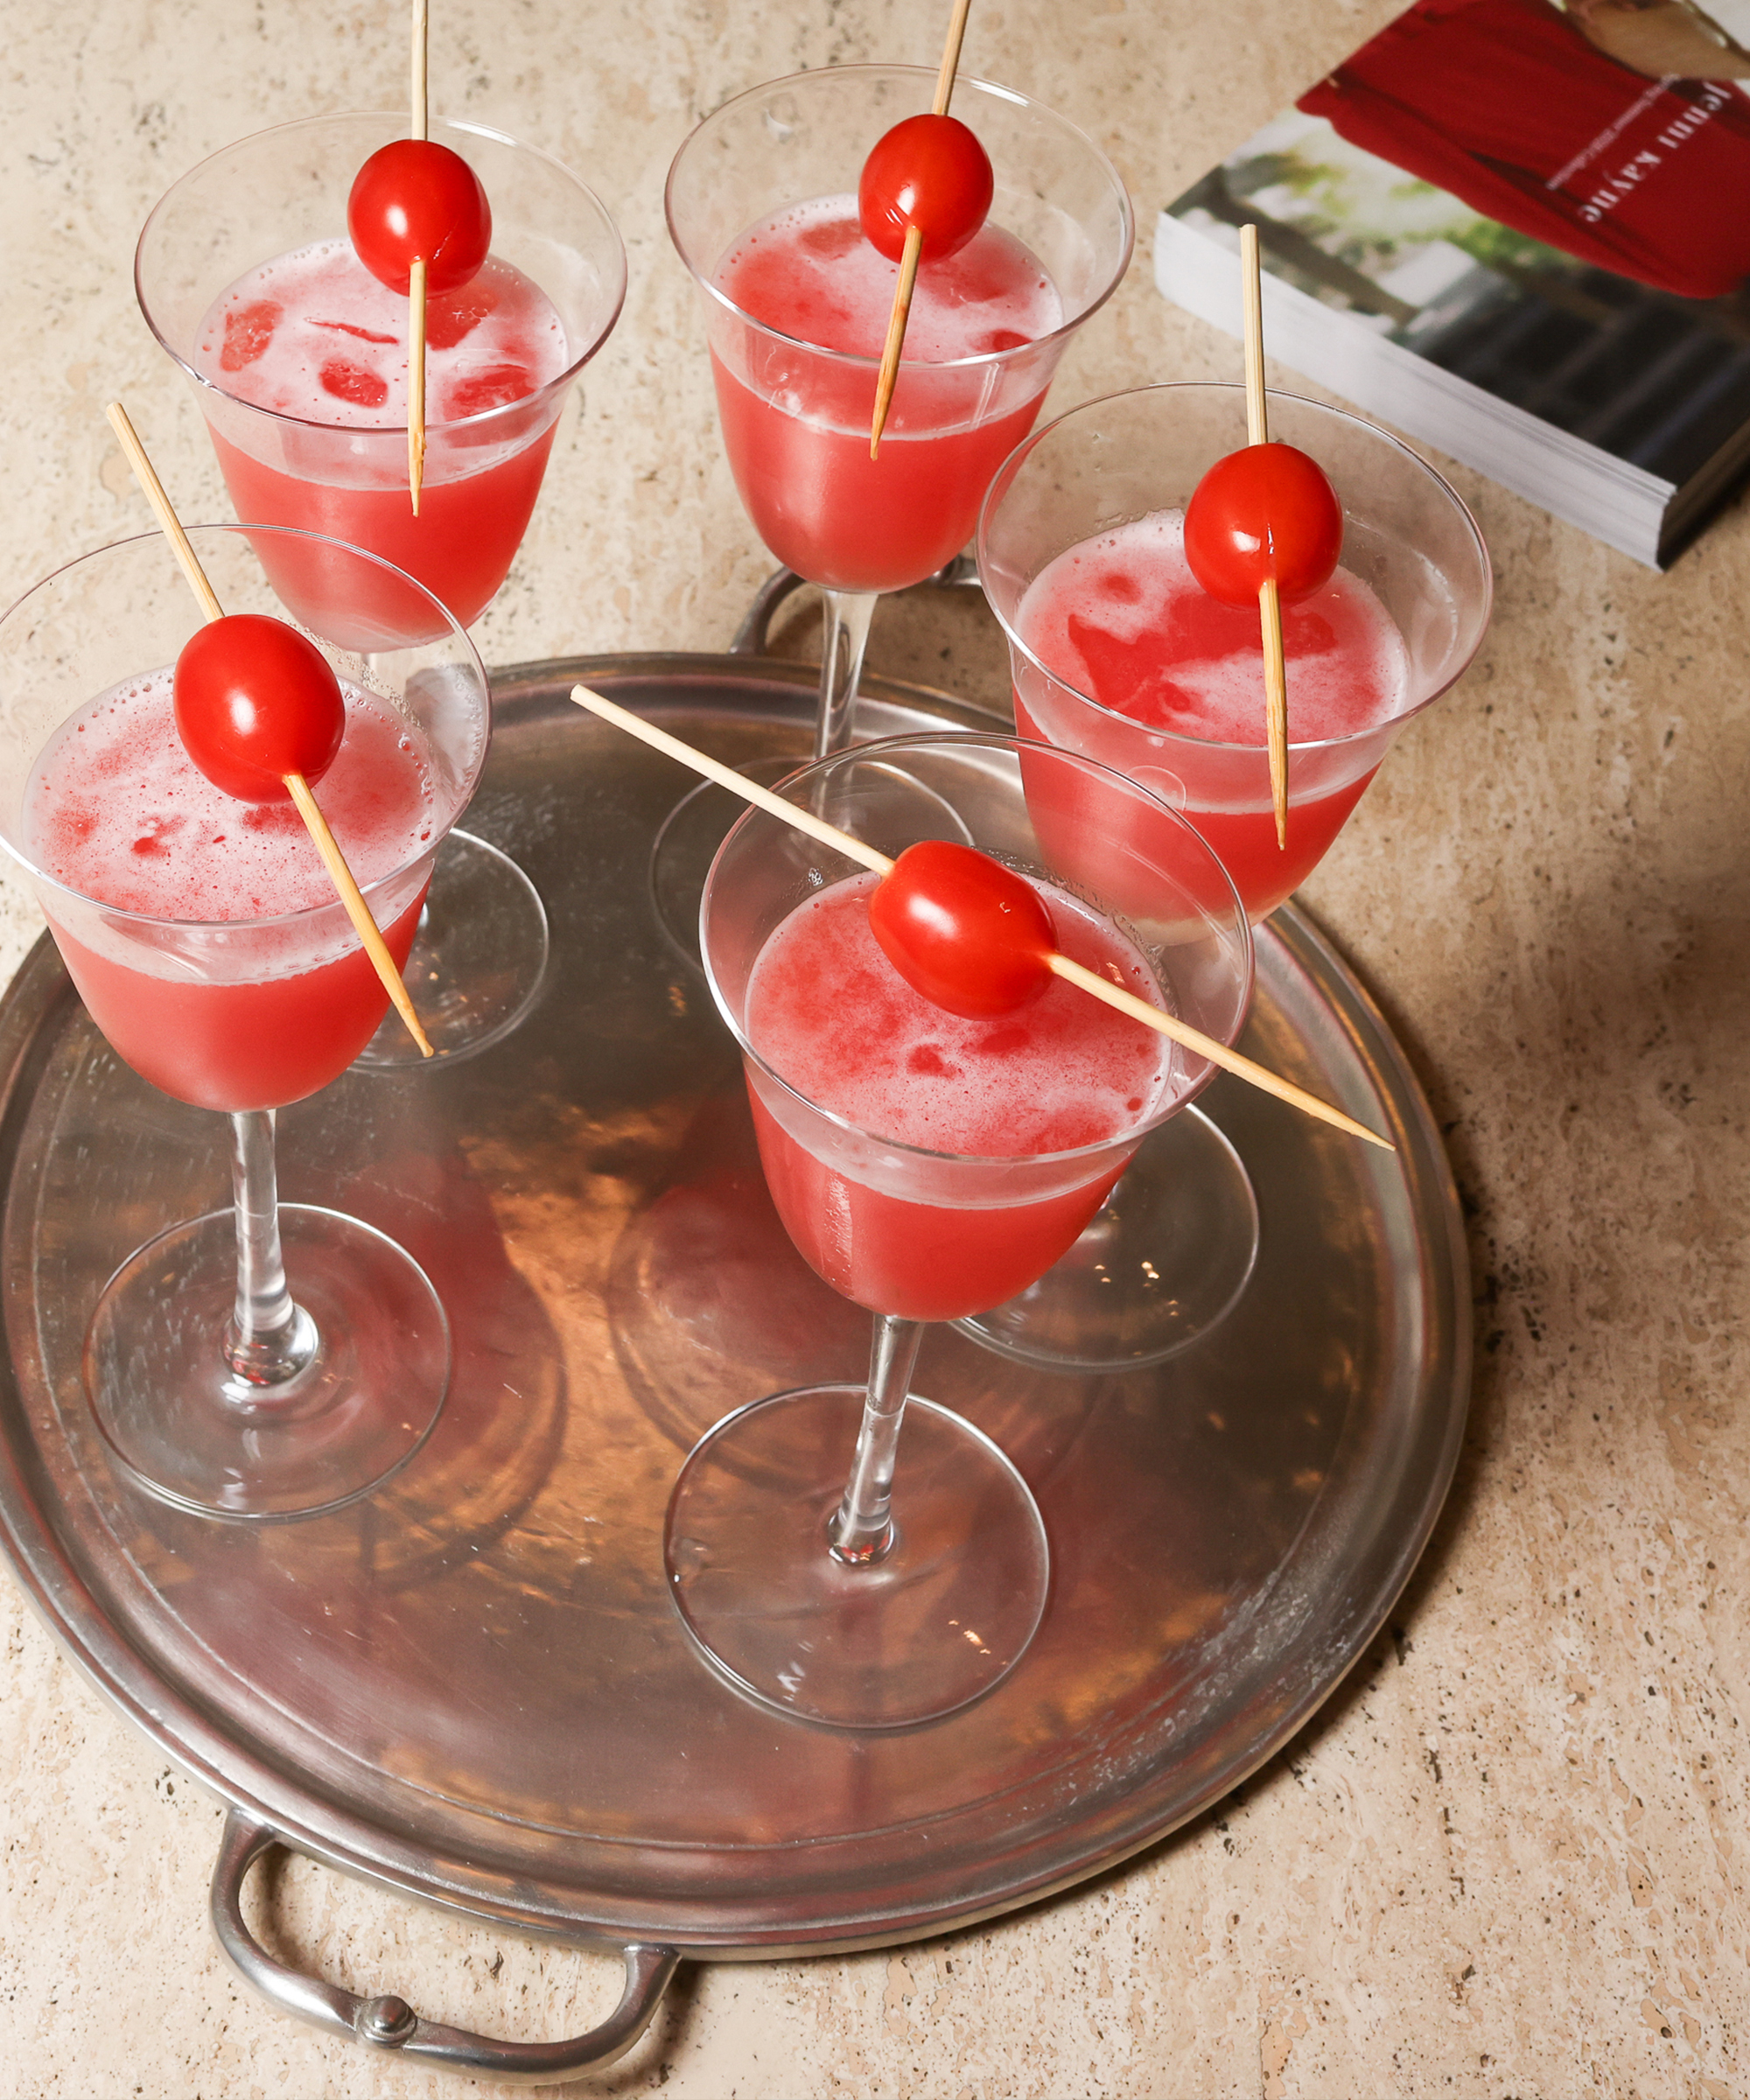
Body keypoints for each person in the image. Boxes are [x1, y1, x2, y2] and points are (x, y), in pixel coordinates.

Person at [1298, 0, 1750, 298]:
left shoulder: (1702, 275)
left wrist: (1346, 110)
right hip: (1471, 47)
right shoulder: (1700, 277)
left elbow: (1515, 204)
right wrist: (1345, 109)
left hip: (1432, 74)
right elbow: (1698, 76)